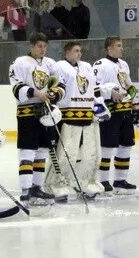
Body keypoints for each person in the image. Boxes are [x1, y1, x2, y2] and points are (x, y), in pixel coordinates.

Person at [10, 33, 64, 203]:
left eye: (45, 46)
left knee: (41, 151)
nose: (43, 49)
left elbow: (61, 85)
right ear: (32, 46)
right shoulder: (20, 62)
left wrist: (53, 95)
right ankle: (26, 190)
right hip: (27, 112)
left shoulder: (50, 64)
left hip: (45, 113)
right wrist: (35, 92)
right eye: (39, 46)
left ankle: (36, 188)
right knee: (27, 151)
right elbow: (16, 86)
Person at [48, 41, 105, 201]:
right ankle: (58, 184)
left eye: (80, 51)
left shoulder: (86, 66)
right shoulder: (59, 66)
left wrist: (99, 106)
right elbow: (56, 89)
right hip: (68, 117)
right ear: (67, 52)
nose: (79, 53)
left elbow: (94, 88)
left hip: (87, 116)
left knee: (90, 154)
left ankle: (85, 183)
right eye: (76, 51)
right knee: (67, 154)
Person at [93, 36, 138, 195]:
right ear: (109, 48)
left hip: (125, 111)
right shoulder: (100, 65)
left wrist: (135, 102)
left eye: (121, 45)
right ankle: (103, 180)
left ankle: (120, 179)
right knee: (107, 147)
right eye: (118, 46)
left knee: (126, 146)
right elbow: (94, 87)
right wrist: (110, 92)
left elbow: (129, 85)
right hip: (110, 112)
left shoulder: (123, 64)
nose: (121, 48)